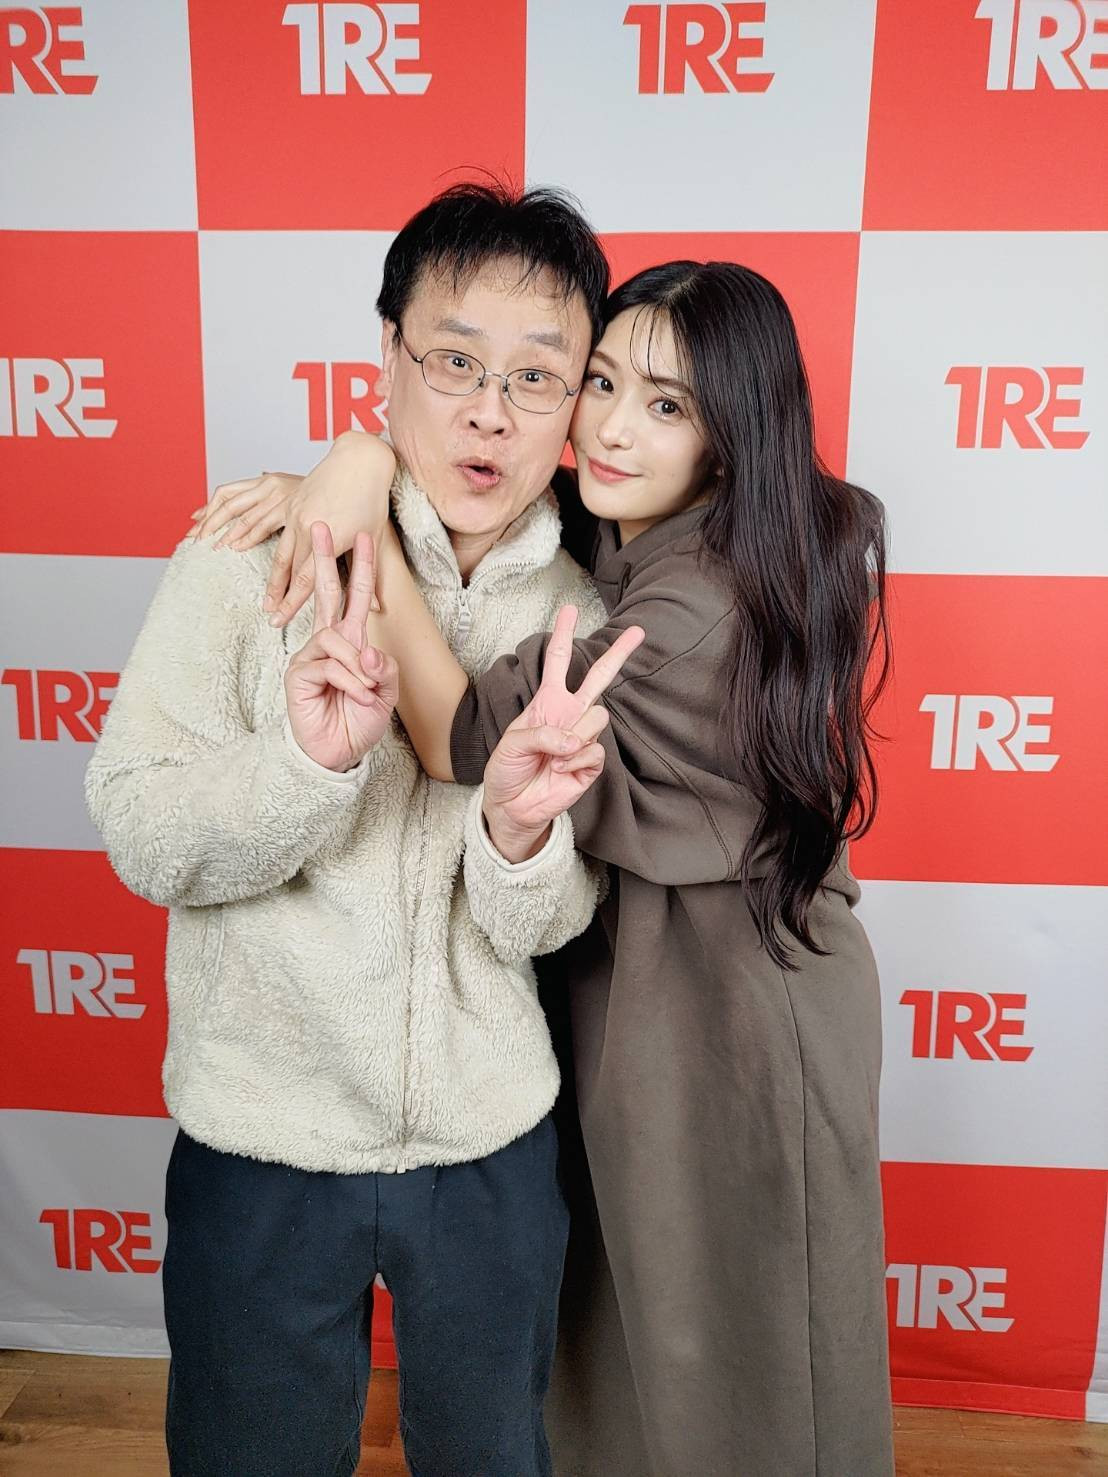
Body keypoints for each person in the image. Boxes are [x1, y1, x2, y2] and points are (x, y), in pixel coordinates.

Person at [201, 256, 897, 1475]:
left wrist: (353, 521)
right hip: (649, 988)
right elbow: (477, 497)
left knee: (737, 1354)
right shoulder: (643, 528)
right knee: (631, 1348)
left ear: (731, 435)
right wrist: (355, 465)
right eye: (601, 383)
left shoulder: (689, 607)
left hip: (730, 1011)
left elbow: (457, 737)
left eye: (667, 405)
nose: (612, 427)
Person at [85, 182, 643, 1477]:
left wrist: (515, 835)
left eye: (536, 377)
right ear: (387, 354)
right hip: (263, 1137)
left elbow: (550, 925)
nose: (490, 412)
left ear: (578, 404)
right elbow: (143, 831)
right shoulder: (249, 555)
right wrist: (303, 764)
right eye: (454, 362)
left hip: (490, 1147)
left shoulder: (587, 618)